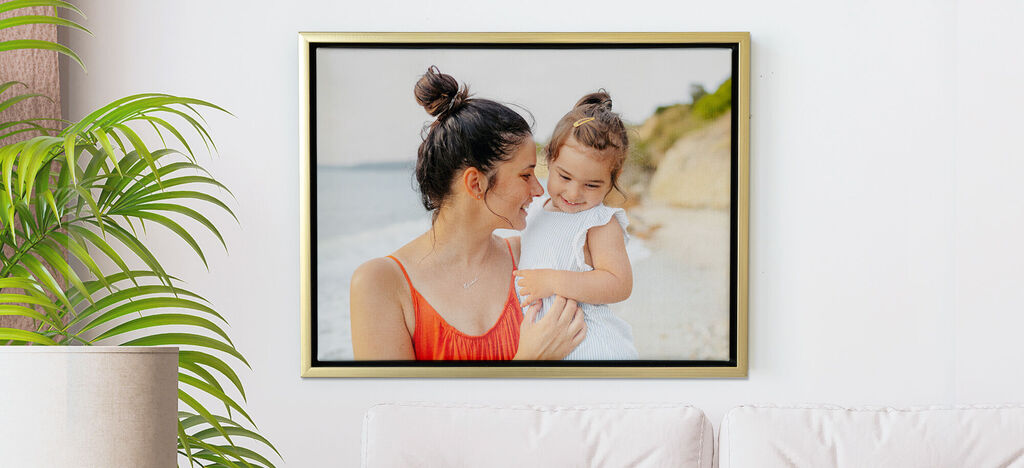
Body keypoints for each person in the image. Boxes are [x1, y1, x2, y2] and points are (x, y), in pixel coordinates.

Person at [350, 66, 585, 360]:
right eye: (525, 175)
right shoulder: (380, 283)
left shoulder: (531, 257)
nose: (539, 190)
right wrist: (527, 364)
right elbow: (397, 406)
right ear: (476, 183)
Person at [513, 91, 639, 360]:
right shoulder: (536, 209)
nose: (573, 194)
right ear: (549, 160)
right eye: (564, 177)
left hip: (594, 349)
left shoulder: (598, 222)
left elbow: (619, 284)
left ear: (612, 180)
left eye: (591, 185)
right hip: (546, 349)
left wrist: (551, 280)